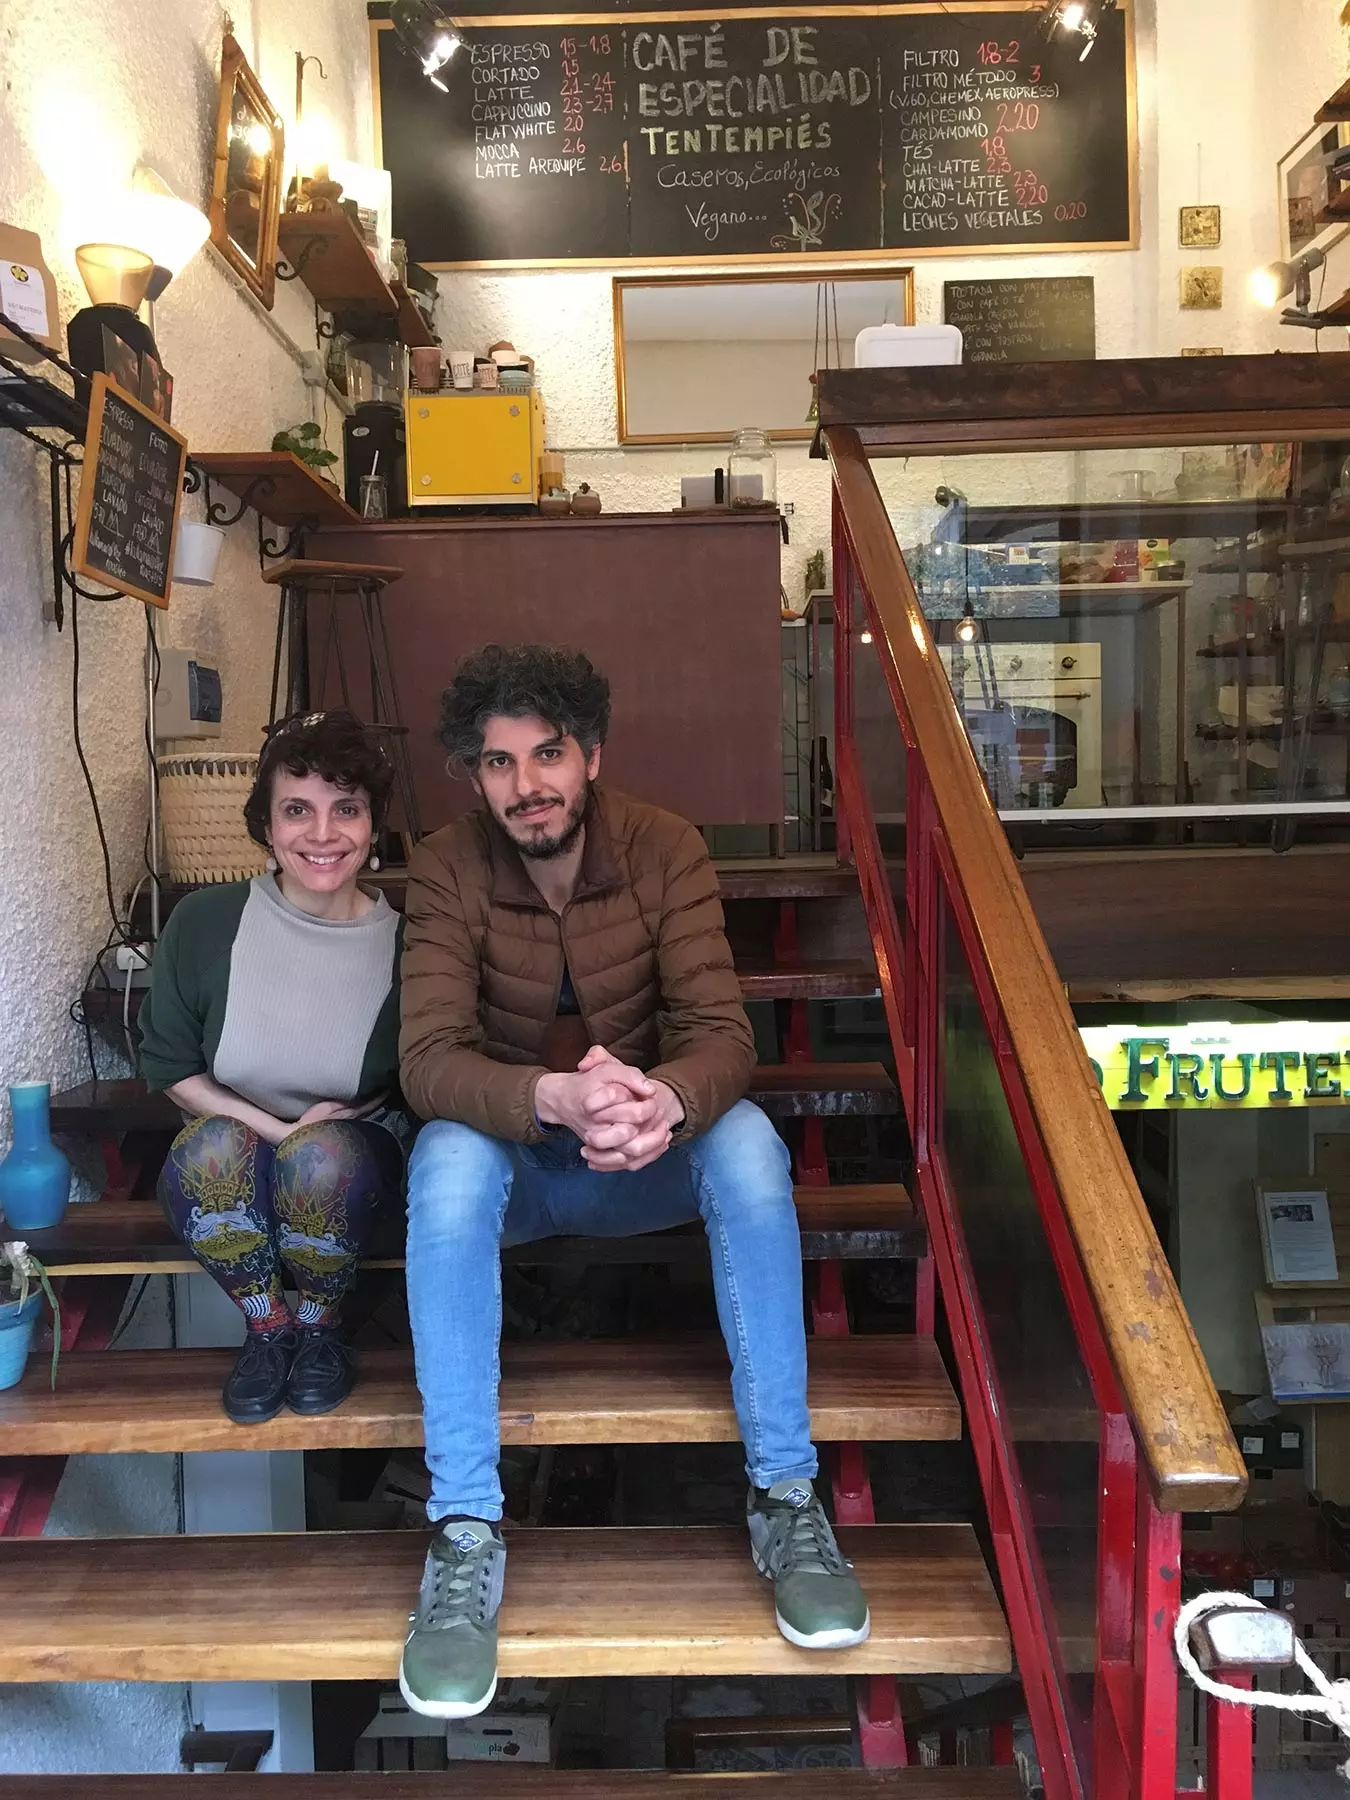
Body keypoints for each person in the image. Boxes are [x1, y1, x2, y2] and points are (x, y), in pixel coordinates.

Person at [396, 644, 869, 1721]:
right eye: (501, 763)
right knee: (445, 1156)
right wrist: (549, 1099)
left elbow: (722, 1035)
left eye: (549, 753)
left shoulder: (667, 849)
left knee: (745, 1138)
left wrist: (664, 1101)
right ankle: (465, 1529)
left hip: (645, 1163)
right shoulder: (444, 865)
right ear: (474, 778)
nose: (529, 784)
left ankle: (787, 1495)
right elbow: (427, 1059)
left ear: (592, 755)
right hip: (523, 1167)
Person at [137, 710, 406, 1425]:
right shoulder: (202, 923)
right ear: (266, 825)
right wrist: (278, 1129)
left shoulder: (414, 944)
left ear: (373, 825)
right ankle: (269, 1329)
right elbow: (170, 1064)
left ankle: (322, 1329)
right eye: (298, 810)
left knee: (320, 1162)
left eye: (345, 809)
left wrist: (308, 1143)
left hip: (358, 1171)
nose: (323, 834)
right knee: (211, 1149)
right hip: (240, 1155)